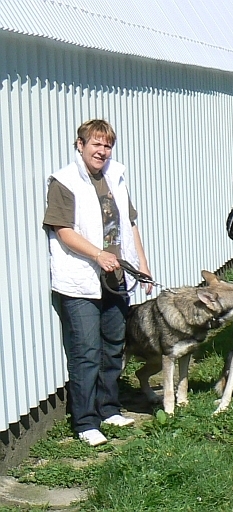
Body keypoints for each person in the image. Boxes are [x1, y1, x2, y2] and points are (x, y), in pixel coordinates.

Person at [44, 119, 152, 446]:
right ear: (80, 145)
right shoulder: (64, 181)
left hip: (117, 278)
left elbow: (130, 224)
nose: (102, 151)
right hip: (81, 283)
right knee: (86, 352)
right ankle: (85, 422)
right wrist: (97, 255)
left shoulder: (116, 178)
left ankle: (108, 408)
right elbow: (63, 231)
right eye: (95, 144)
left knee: (112, 347)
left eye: (107, 146)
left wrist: (142, 265)